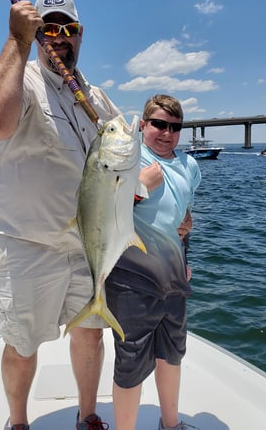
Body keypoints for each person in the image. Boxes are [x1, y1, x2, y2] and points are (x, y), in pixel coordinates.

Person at [0, 0, 120, 430]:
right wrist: (16, 41)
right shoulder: (21, 79)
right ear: (37, 35)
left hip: (88, 245)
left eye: (67, 29)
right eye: (47, 29)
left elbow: (132, 163)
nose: (59, 38)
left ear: (80, 36)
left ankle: (88, 415)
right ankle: (18, 423)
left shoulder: (95, 98)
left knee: (92, 335)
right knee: (22, 344)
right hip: (26, 245)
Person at [105, 95, 201, 430]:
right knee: (131, 362)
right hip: (130, 279)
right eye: (159, 124)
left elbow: (181, 215)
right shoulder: (127, 159)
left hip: (174, 279)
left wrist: (185, 248)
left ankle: (171, 424)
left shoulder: (190, 166)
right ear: (142, 124)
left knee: (172, 353)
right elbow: (104, 214)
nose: (166, 133)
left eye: (175, 127)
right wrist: (140, 188)